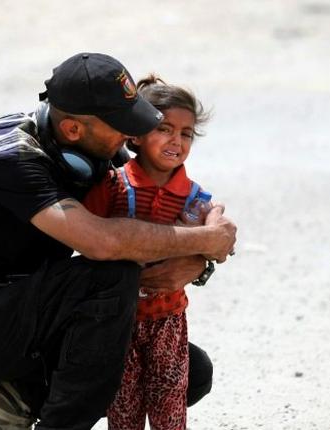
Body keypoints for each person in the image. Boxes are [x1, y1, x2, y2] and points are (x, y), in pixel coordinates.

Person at [0, 52, 236, 430]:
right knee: (113, 274)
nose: (129, 137)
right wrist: (206, 239)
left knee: (190, 372)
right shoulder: (13, 158)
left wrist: (198, 260)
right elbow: (103, 242)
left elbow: (166, 215)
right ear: (74, 129)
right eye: (121, 126)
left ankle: (23, 392)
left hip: (47, 306)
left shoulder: (94, 147)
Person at [82, 75, 213, 430]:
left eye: (186, 133)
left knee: (170, 399)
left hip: (168, 319)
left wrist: (210, 235)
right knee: (123, 406)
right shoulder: (113, 186)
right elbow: (83, 237)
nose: (177, 140)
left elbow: (215, 232)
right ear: (136, 135)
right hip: (117, 319)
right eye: (165, 129)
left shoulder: (193, 196)